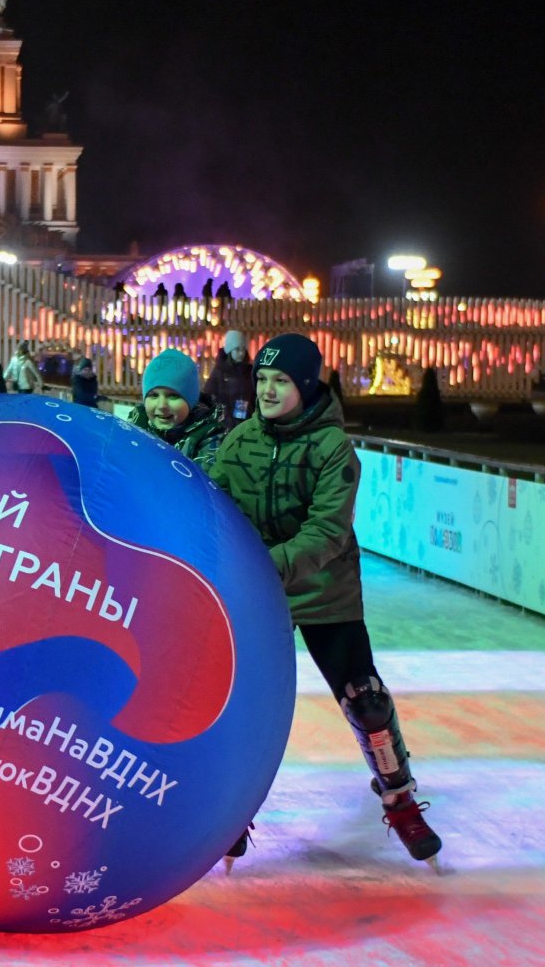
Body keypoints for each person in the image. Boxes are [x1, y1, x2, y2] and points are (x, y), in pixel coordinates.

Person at [208, 332, 442, 868]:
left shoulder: (333, 448)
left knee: (366, 699)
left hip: (323, 595)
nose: (267, 391)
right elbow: (214, 507)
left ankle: (400, 798)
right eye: (261, 379)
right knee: (240, 704)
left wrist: (266, 565)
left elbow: (329, 531)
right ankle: (230, 810)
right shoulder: (240, 440)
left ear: (306, 386)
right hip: (259, 599)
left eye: (280, 381)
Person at [126, 347, 223, 467]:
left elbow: (202, 481)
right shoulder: (136, 425)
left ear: (191, 401)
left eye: (173, 396)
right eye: (154, 395)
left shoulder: (208, 435)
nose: (162, 405)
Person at [205, 329, 257, 433]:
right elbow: (208, 396)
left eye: (243, 349)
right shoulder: (220, 371)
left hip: (246, 422)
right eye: (237, 349)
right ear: (229, 350)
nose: (241, 353)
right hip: (225, 424)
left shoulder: (250, 371)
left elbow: (255, 396)